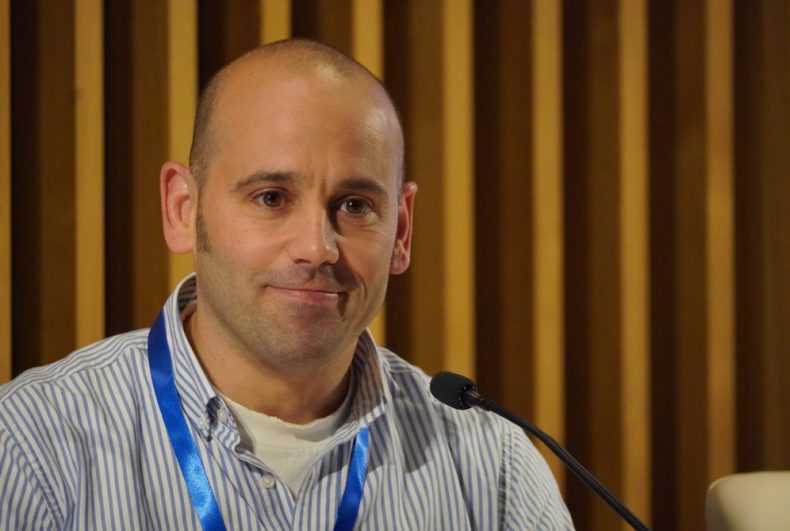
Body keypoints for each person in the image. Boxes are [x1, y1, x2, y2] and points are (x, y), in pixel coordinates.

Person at [0, 38, 573, 530]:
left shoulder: (493, 467)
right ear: (182, 210)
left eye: (355, 205)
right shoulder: (30, 448)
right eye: (271, 197)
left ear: (401, 231)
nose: (316, 248)